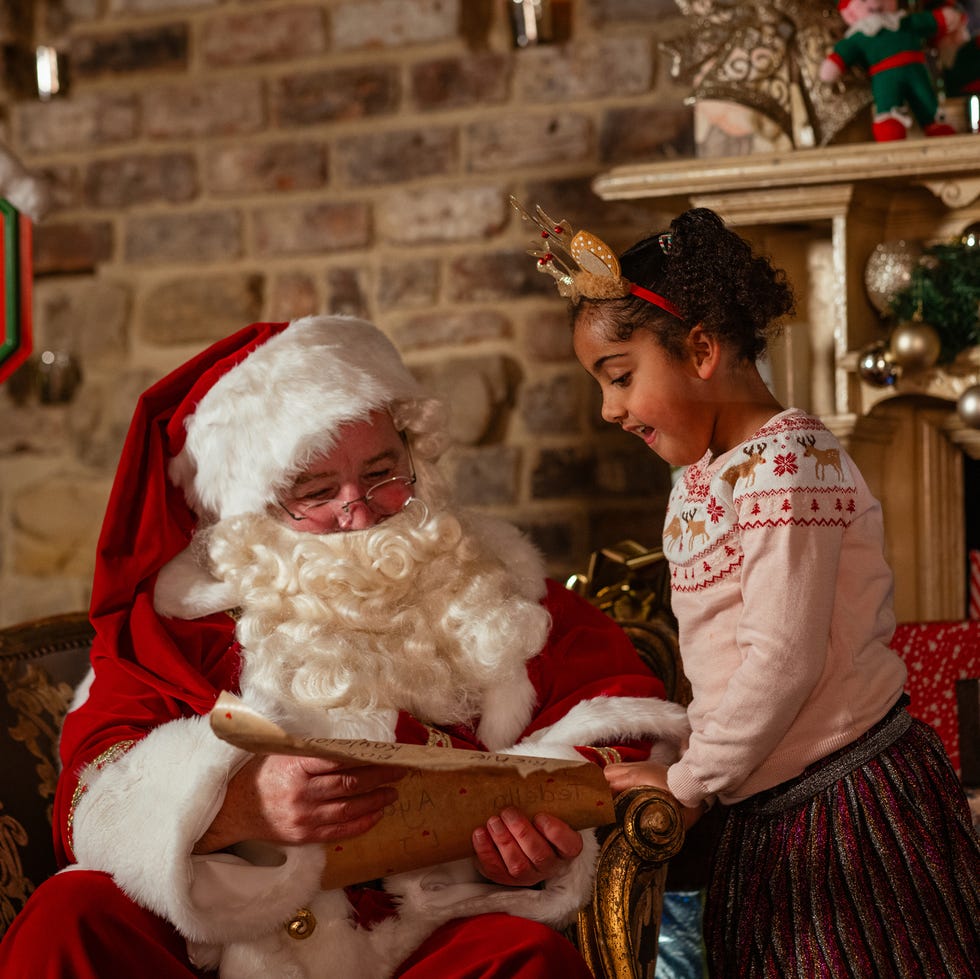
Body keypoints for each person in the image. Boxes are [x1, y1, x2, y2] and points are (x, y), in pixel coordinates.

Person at [0, 315, 690, 977]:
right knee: (71, 915)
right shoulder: (185, 619)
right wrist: (231, 806)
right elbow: (94, 787)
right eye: (318, 490)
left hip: (418, 940)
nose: (359, 508)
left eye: (384, 471)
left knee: (526, 962)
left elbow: (620, 723)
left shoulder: (492, 581)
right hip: (219, 949)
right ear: (253, 508)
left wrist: (539, 844)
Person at [513, 199, 980, 977]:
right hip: (765, 800)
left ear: (700, 349)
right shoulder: (700, 477)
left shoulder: (786, 461)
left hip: (847, 802)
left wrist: (689, 782)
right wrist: (692, 760)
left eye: (621, 377)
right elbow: (720, 662)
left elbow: (783, 658)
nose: (610, 409)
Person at [818, 0, 964, 141]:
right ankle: (888, 124)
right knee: (888, 99)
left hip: (917, 71)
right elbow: (844, 52)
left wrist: (943, 18)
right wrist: (834, 63)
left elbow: (927, 21)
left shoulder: (903, 22)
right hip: (885, 76)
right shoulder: (860, 35)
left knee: (926, 100)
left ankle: (935, 124)